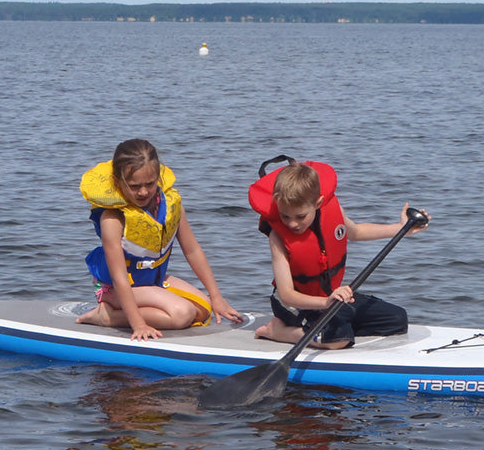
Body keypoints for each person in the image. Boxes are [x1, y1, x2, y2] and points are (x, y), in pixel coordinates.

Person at [247, 156, 429, 349]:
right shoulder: (278, 236)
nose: (292, 223)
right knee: (339, 339)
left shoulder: (332, 211)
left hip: (329, 297)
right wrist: (326, 303)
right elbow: (286, 295)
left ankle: (328, 328)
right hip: (294, 304)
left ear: (318, 203)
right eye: (285, 216)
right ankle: (278, 331)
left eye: (300, 216)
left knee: (396, 320)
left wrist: (400, 229)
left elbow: (357, 232)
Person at [77, 139, 240, 340]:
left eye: (150, 184)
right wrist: (138, 324)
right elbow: (119, 277)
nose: (144, 192)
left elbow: (193, 251)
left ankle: (126, 312)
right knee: (182, 314)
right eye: (135, 186)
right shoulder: (113, 219)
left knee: (203, 310)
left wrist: (217, 297)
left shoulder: (172, 206)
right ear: (118, 182)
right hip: (115, 289)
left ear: (159, 177)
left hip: (152, 281)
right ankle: (107, 316)